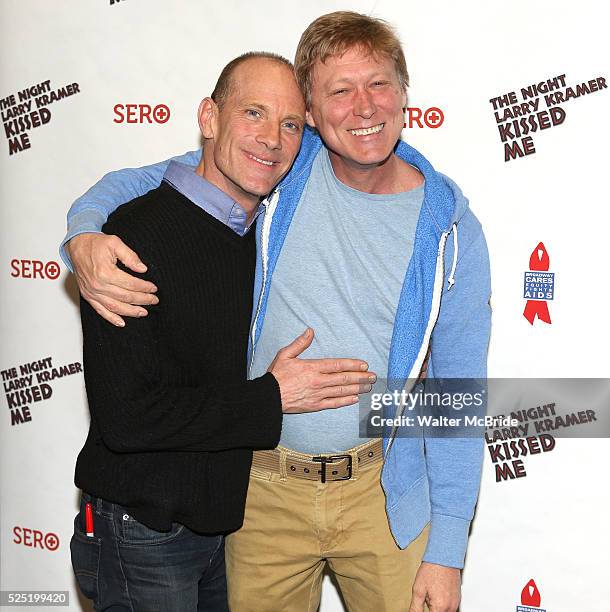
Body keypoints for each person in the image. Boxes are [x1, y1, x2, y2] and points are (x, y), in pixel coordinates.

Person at [62, 12, 491, 612]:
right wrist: (83, 234)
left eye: (378, 84)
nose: (363, 107)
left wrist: (447, 551)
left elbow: (456, 394)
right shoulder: (281, 169)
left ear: (404, 95)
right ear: (313, 111)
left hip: (383, 492)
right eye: (339, 90)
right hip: (259, 490)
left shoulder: (449, 229)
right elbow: (147, 181)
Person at [68, 51, 375, 612]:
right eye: (253, 113)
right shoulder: (130, 239)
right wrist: (273, 399)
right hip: (143, 530)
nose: (272, 139)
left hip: (227, 526)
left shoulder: (260, 236)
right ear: (209, 118)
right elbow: (128, 418)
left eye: (289, 125)